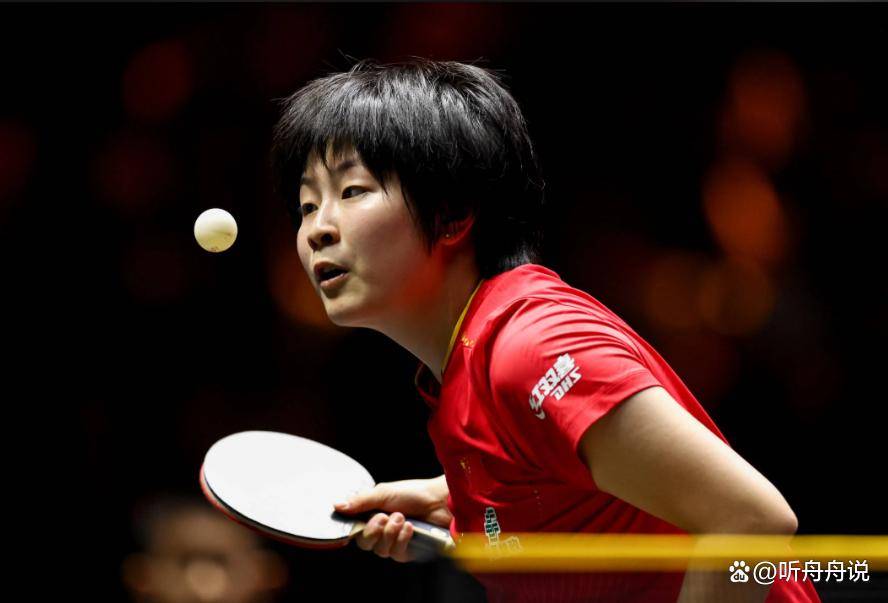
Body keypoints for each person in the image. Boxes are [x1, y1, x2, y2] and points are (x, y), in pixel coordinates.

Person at [270, 58, 821, 602]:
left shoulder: (532, 348)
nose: (317, 229)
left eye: (352, 191)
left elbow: (751, 521)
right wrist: (458, 506)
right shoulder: (462, 371)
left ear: (452, 212)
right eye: (307, 204)